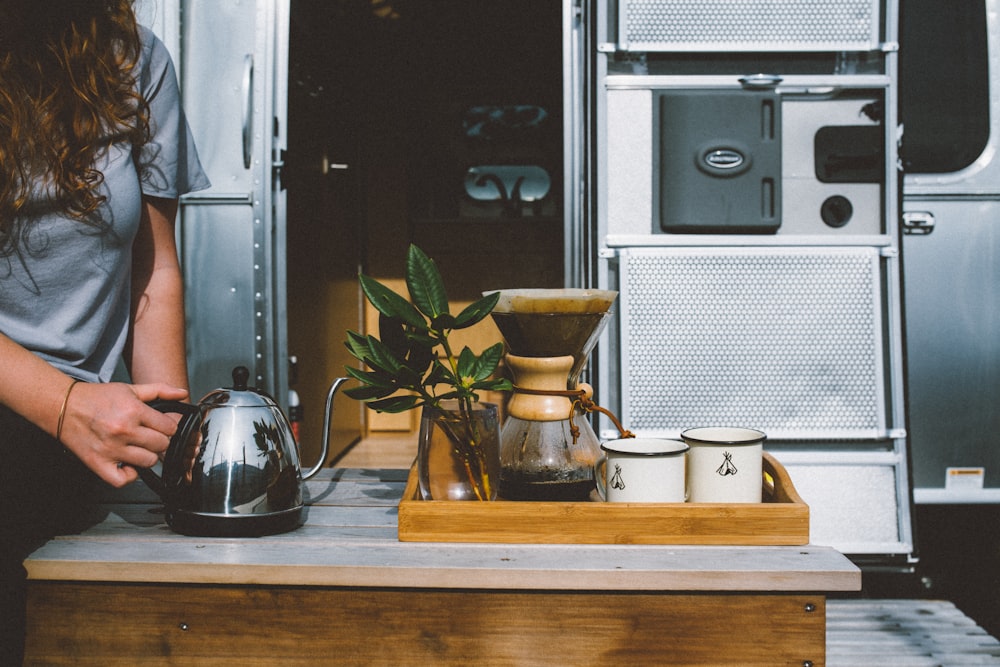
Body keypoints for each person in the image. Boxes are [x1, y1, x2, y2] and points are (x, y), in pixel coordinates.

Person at [0, 1, 209, 662]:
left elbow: (153, 269)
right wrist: (62, 404)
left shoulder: (135, 63)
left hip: (69, 451)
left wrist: (172, 439)